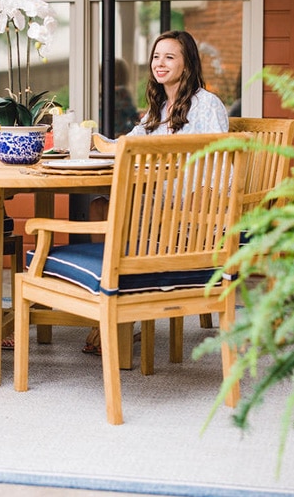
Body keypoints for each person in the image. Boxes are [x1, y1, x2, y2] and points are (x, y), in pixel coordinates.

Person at [83, 30, 229, 355]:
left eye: (169, 57)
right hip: (160, 203)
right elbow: (127, 143)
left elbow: (223, 166)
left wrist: (198, 208)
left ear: (187, 63)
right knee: (100, 207)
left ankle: (118, 315)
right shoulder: (159, 108)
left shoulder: (207, 105)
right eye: (156, 56)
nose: (159, 64)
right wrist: (91, 139)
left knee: (122, 212)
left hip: (193, 211)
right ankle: (112, 301)